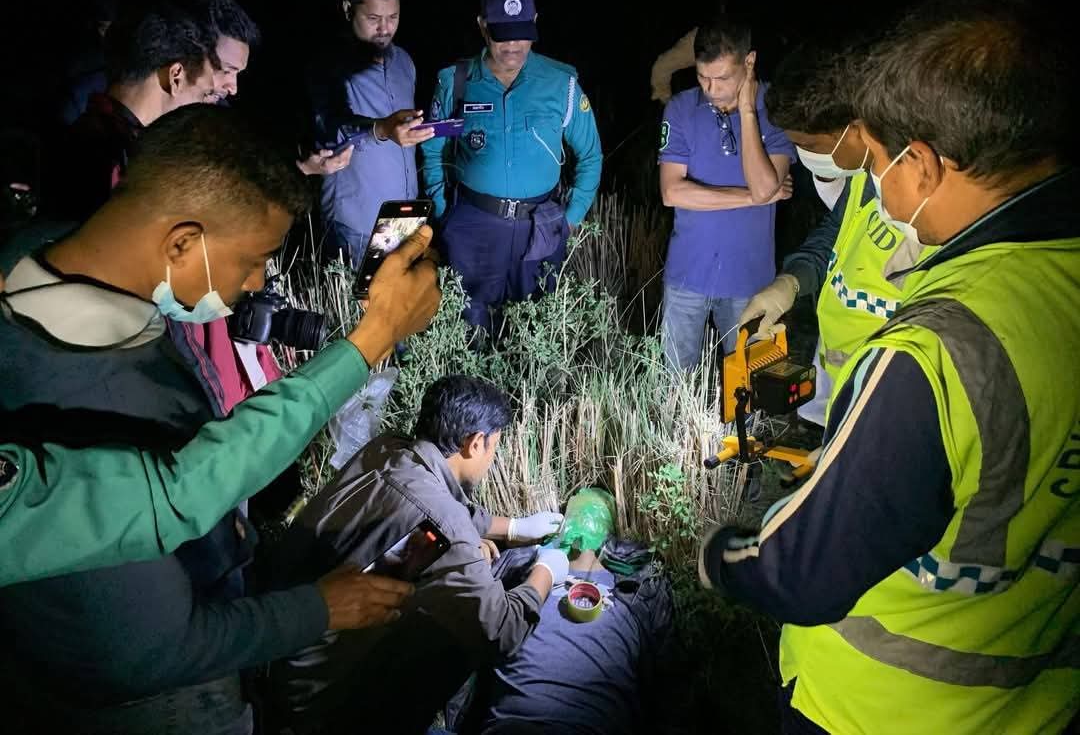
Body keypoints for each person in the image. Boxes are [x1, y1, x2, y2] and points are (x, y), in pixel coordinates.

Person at [698, 0, 1080, 734]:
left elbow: (801, 570)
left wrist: (720, 555)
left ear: (924, 165)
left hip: (874, 705)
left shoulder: (937, 350)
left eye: (876, 162)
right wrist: (791, 284)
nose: (874, 190)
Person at [0, 106, 439, 734]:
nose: (258, 279)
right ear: (181, 243)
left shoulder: (37, 255)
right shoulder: (93, 401)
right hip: (155, 706)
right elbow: (148, 653)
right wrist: (319, 610)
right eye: (256, 258)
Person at [267, 375, 570, 735]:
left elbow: (432, 509)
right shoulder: (446, 524)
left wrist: (514, 528)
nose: (492, 459)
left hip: (278, 645)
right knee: (460, 628)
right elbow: (502, 630)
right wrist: (546, 571)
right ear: (475, 444)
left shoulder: (388, 449)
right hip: (320, 699)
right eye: (494, 448)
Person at [739, 40, 936, 427]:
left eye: (809, 144)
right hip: (839, 370)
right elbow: (835, 233)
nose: (803, 155)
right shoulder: (863, 176)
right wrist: (791, 281)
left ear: (855, 130)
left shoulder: (928, 207)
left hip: (889, 389)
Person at [421, 0, 603, 331]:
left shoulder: (561, 84)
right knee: (469, 331)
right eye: (501, 35)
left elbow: (591, 155)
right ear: (482, 26)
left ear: (534, 22)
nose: (513, 46)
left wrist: (571, 217)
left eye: (521, 34)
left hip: (541, 226)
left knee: (534, 332)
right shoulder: (456, 82)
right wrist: (445, 214)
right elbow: (433, 150)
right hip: (473, 227)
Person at [453, 488, 675, 735]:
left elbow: (666, 680)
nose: (585, 518)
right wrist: (477, 551)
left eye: (597, 511)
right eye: (577, 509)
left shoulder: (637, 589)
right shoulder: (525, 571)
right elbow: (464, 595)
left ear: (610, 536)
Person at [658, 15, 795, 368]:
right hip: (688, 272)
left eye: (722, 78)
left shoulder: (775, 110)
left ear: (749, 62)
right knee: (674, 380)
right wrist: (751, 198)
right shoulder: (681, 108)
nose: (711, 89)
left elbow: (765, 185)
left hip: (750, 278)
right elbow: (672, 192)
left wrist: (748, 110)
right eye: (703, 77)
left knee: (749, 381)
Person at [308, 0, 434, 263]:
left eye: (393, 18)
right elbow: (331, 126)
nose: (385, 29)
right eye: (374, 19)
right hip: (356, 222)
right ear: (348, 9)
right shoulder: (328, 65)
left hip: (404, 218)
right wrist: (382, 129)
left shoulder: (404, 62)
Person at [54, 0, 218, 222]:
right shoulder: (122, 165)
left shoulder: (82, 135)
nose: (208, 106)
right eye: (205, 94)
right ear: (175, 76)